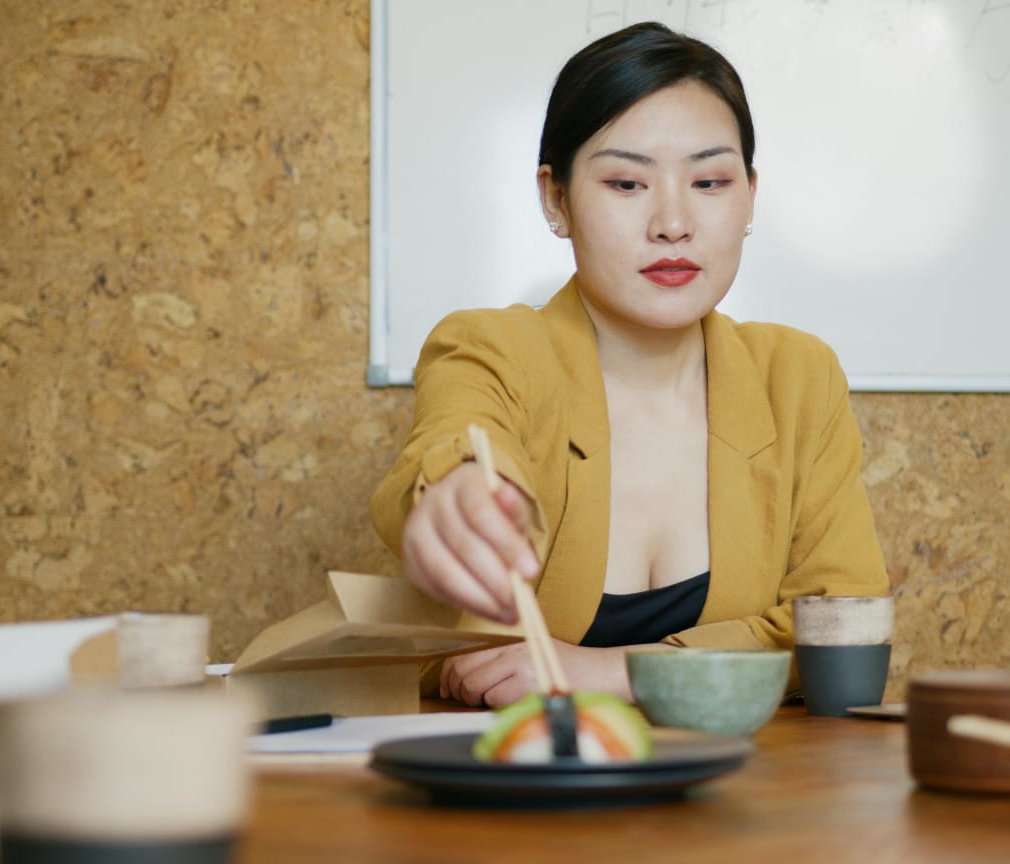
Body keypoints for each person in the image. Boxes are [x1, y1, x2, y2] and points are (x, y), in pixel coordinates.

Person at [370, 21, 888, 708]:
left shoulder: (796, 377)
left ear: (750, 196)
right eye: (625, 183)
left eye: (709, 181)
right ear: (555, 199)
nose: (673, 223)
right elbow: (455, 447)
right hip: (523, 793)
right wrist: (462, 497)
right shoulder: (489, 348)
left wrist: (615, 671)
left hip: (748, 800)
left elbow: (839, 631)